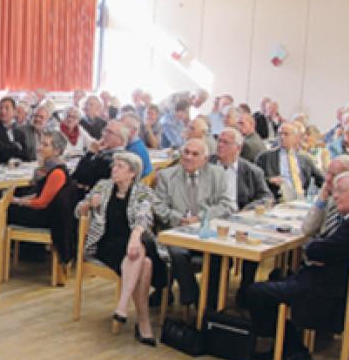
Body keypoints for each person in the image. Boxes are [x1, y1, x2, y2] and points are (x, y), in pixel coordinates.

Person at [243, 171, 349, 360]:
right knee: (277, 276)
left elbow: (315, 250)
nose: (336, 196)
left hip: (328, 295)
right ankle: (287, 343)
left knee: (255, 292)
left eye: (341, 191)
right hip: (336, 285)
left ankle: (289, 346)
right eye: (335, 191)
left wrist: (314, 247)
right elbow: (324, 249)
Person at [76, 152, 166, 345]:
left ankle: (124, 308)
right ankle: (141, 322)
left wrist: (135, 236)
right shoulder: (103, 186)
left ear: (132, 173)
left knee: (142, 257)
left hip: (133, 242)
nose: (114, 169)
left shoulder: (142, 191)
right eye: (114, 166)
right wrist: (88, 204)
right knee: (144, 262)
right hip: (106, 242)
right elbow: (78, 210)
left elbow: (144, 216)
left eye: (120, 166)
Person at [0, 131, 75, 276]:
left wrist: (19, 201)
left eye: (45, 145)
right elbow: (40, 194)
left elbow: (41, 203)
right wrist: (19, 200)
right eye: (41, 143)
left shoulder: (57, 173)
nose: (40, 148)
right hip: (45, 213)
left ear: (57, 151)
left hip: (46, 218)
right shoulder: (50, 168)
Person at [154, 138, 236, 307]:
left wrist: (200, 218)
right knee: (177, 253)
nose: (188, 157)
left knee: (220, 257)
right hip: (178, 232)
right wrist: (179, 218)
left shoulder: (217, 174)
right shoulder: (166, 176)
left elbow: (227, 205)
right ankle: (191, 296)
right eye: (186, 152)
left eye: (195, 154)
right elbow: (158, 206)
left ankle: (209, 308)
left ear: (205, 159)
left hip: (207, 233)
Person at [255, 122, 324, 201]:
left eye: (286, 134)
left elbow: (322, 180)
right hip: (277, 199)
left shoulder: (305, 159)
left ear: (296, 138)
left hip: (301, 199)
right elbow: (255, 181)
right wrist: (270, 180)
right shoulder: (264, 157)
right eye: (280, 134)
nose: (282, 137)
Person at [209, 128, 272, 212]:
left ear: (238, 148)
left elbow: (266, 197)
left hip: (238, 214)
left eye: (225, 142)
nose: (220, 145)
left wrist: (247, 209)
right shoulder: (204, 164)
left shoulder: (252, 171)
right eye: (219, 141)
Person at [72, 120, 128, 196]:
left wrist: (91, 152)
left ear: (121, 139)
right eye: (105, 130)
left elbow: (79, 176)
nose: (104, 134)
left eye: (110, 132)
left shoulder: (113, 159)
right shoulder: (106, 151)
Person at [0, 97, 28, 164]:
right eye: (1, 108)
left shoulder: (20, 132)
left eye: (7, 108)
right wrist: (16, 146)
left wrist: (10, 148)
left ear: (14, 111)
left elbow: (25, 155)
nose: (3, 111)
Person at [119, 113, 153, 178]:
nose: (119, 129)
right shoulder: (132, 144)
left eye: (123, 127)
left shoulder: (135, 150)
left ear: (134, 130)